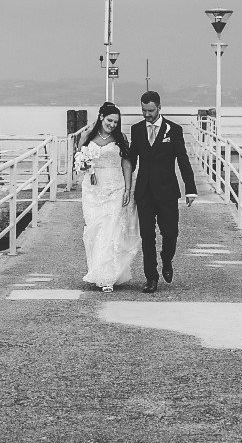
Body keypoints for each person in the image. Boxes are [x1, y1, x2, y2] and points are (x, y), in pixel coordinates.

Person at [128, 90, 197, 294]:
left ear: (159, 107)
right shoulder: (137, 129)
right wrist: (121, 183)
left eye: (150, 110)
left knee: (170, 233)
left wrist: (190, 189)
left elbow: (183, 160)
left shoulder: (173, 130)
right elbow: (132, 159)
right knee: (147, 236)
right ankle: (151, 277)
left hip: (167, 191)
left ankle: (167, 259)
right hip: (144, 192)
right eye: (143, 110)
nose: (147, 114)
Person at [76, 102, 140, 292]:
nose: (112, 124)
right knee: (95, 230)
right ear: (101, 117)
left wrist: (128, 188)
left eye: (116, 122)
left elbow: (127, 164)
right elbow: (79, 159)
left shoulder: (120, 138)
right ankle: (97, 270)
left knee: (111, 230)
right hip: (93, 190)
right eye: (109, 120)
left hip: (115, 187)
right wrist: (85, 165)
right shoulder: (87, 136)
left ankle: (107, 277)